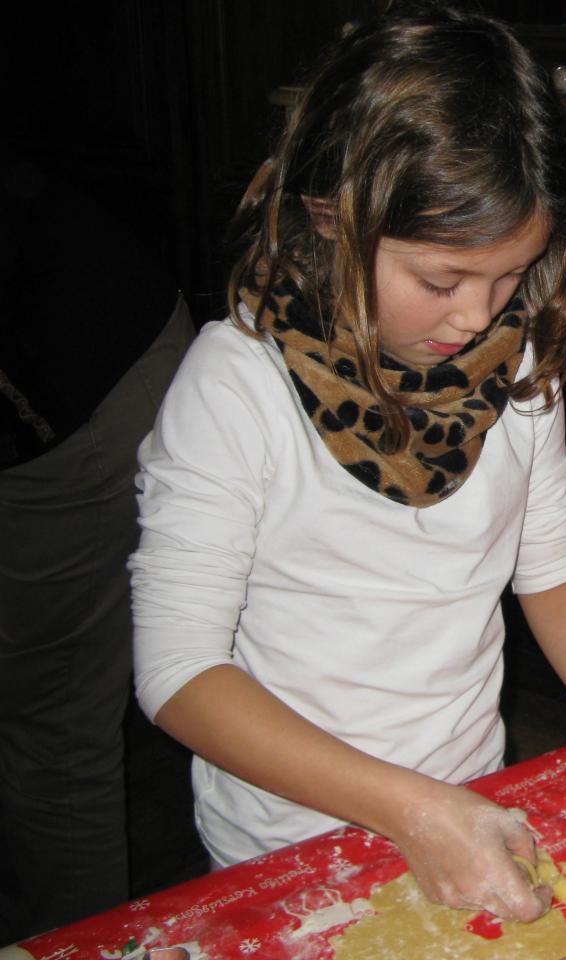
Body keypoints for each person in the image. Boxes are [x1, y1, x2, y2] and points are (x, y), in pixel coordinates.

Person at [129, 1, 566, 925]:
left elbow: (552, 566)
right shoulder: (236, 387)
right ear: (334, 219)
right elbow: (178, 671)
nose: (478, 317)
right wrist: (409, 808)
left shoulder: (514, 367)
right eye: (441, 281)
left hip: (469, 796)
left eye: (509, 276)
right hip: (291, 842)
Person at [0, 146, 194, 942]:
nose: (473, 317)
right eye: (443, 285)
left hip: (80, 385)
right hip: (77, 350)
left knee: (54, 725)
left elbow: (183, 678)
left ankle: (69, 939)